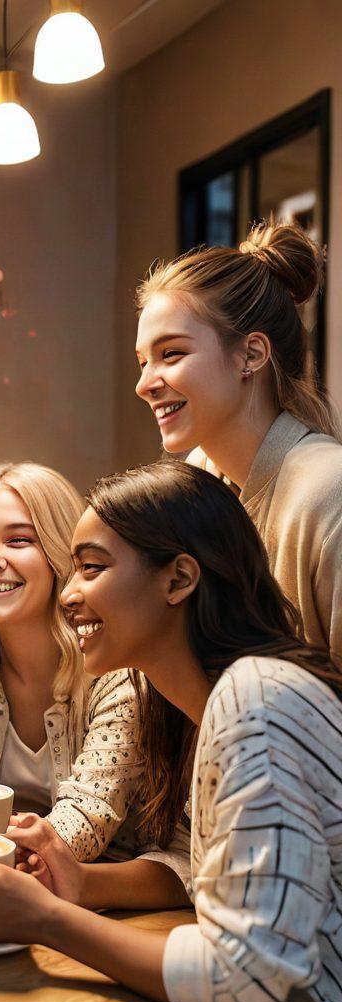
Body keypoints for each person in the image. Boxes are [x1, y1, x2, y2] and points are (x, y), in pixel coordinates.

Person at [0, 461, 342, 1002]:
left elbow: (244, 983)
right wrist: (82, 884)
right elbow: (206, 873)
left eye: (90, 568)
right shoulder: (201, 702)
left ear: (179, 578)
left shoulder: (257, 702)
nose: (68, 592)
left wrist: (51, 918)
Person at [0, 462, 186, 893]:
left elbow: (89, 816)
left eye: (18, 540)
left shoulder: (118, 670)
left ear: (60, 555)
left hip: (125, 891)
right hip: (16, 884)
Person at [135, 218, 342, 667]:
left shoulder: (328, 492)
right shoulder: (199, 475)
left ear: (251, 354)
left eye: (171, 353)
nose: (145, 383)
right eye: (142, 361)